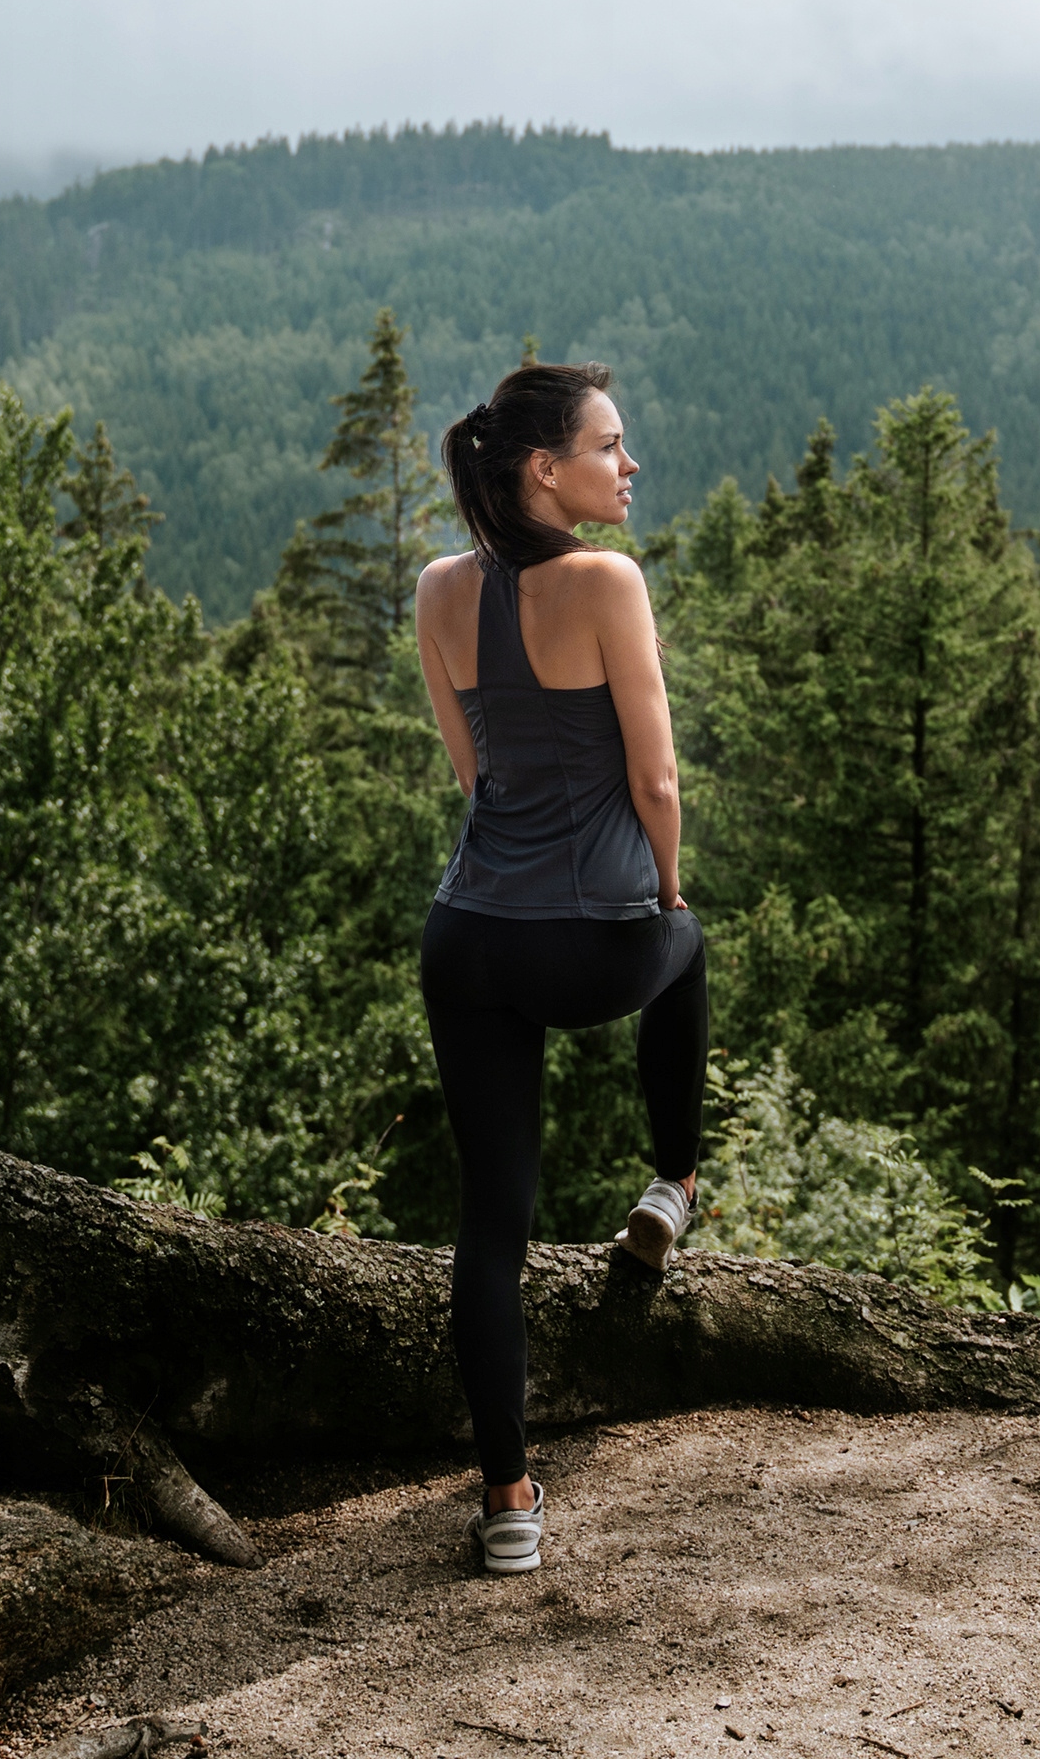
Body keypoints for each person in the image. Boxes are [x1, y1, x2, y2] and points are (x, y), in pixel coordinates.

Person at [412, 361, 706, 1578]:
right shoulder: (605, 583)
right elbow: (656, 782)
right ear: (546, 468)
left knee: (495, 1224)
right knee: (687, 947)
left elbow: (471, 772)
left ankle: (508, 1499)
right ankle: (674, 1187)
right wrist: (667, 886)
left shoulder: (437, 588)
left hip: (467, 934)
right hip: (586, 940)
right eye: (610, 447)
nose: (628, 466)